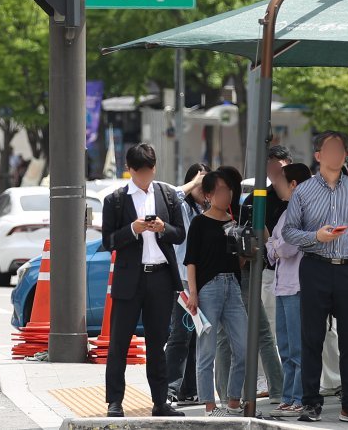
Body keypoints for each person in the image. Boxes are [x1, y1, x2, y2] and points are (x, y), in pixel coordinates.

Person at [281, 130, 348, 425]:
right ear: (319, 156)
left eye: (341, 149)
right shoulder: (304, 191)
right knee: (311, 339)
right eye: (330, 149)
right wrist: (316, 236)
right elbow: (289, 231)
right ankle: (311, 403)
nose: (337, 154)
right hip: (315, 267)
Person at [100, 143, 185, 418]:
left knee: (158, 343)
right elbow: (108, 241)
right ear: (130, 170)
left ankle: (160, 402)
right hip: (129, 280)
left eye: (149, 171)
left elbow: (180, 234)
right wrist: (133, 229)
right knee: (119, 343)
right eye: (140, 172)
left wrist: (163, 228)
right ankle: (114, 402)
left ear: (154, 168)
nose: (145, 178)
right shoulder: (115, 200)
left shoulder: (167, 195)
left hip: (160, 277)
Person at [216, 146, 287, 408]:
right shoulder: (240, 209)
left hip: (242, 278)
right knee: (242, 336)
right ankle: (232, 394)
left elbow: (259, 241)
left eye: (222, 187)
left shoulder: (242, 210)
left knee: (250, 335)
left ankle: (230, 395)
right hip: (237, 278)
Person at [185, 166, 249, 417]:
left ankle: (234, 401)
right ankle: (210, 406)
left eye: (229, 190)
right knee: (207, 351)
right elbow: (191, 260)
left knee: (243, 348)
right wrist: (193, 292)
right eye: (221, 190)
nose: (227, 195)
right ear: (209, 195)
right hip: (208, 288)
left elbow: (240, 263)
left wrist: (245, 247)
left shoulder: (235, 223)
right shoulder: (199, 222)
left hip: (233, 286)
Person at [266, 162, 313, 419]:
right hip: (283, 285)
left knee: (296, 346)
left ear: (294, 184)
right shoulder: (287, 212)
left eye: (281, 180)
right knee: (284, 344)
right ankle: (288, 397)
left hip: (297, 286)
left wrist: (274, 243)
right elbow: (273, 248)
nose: (276, 184)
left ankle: (298, 397)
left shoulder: (304, 212)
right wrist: (275, 243)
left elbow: (283, 248)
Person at [166, 163, 209, 407]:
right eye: (199, 184)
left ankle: (188, 390)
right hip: (182, 278)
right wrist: (194, 182)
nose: (204, 188)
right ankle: (170, 387)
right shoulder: (182, 207)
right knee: (180, 334)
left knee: (197, 334)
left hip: (203, 278)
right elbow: (172, 195)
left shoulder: (211, 208)